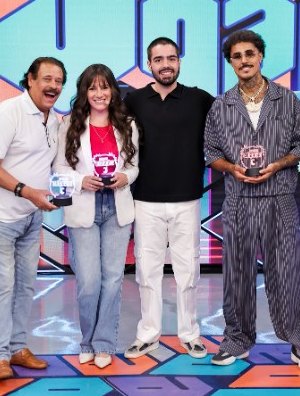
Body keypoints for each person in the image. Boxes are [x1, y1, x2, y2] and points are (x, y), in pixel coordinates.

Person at [203, 30, 300, 372]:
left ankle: (298, 341)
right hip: (239, 200)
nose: (244, 61)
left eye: (250, 54)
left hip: (279, 198)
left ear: (261, 56)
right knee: (237, 274)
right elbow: (210, 151)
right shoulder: (221, 105)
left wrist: (279, 164)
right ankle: (236, 340)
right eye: (237, 56)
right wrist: (231, 168)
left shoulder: (287, 100)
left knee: (286, 273)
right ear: (230, 63)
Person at [122, 37, 215, 360]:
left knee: (187, 271)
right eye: (159, 59)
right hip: (145, 200)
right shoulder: (133, 100)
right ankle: (147, 334)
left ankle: (190, 334)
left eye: (171, 58)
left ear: (179, 62)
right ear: (149, 64)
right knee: (147, 272)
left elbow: (229, 128)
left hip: (187, 199)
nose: (165, 65)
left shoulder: (199, 99)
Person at [0, 56, 66, 381]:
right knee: (3, 285)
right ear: (30, 79)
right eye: (47, 79)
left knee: (26, 285)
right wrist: (27, 192)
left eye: (59, 81)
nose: (53, 86)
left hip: (31, 217)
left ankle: (17, 347)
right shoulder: (7, 113)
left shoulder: (54, 120)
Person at [52, 63, 140, 369]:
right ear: (84, 92)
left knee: (112, 280)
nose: (99, 93)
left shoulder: (127, 124)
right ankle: (86, 341)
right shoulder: (70, 124)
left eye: (104, 87)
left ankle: (104, 344)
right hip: (83, 206)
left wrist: (125, 177)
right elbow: (59, 167)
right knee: (89, 281)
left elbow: (134, 167)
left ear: (113, 90)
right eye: (92, 88)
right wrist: (80, 181)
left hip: (117, 208)